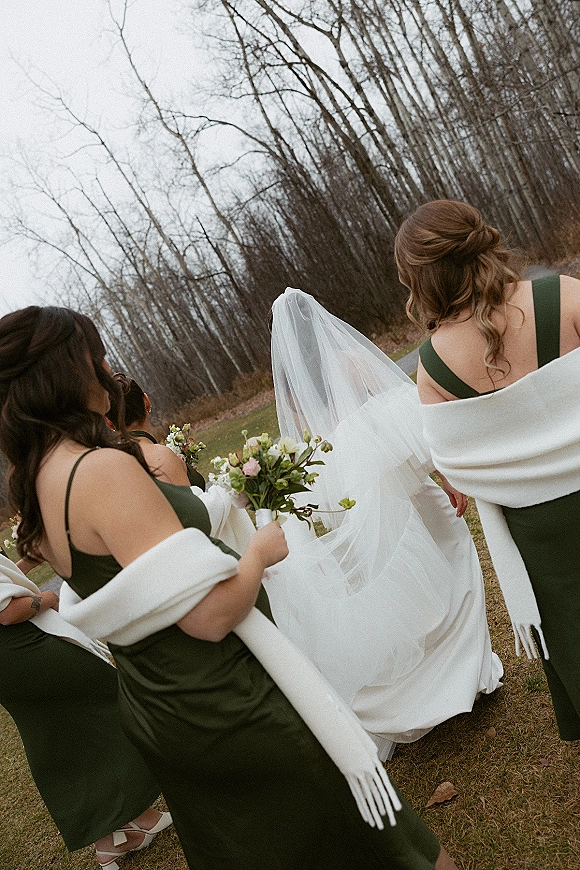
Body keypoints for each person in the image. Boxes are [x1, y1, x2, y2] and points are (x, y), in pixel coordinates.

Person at [0, 304, 458, 870]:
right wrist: (261, 549)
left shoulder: (39, 483)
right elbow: (210, 615)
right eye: (93, 356)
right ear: (64, 373)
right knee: (388, 842)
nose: (105, 367)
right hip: (223, 698)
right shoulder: (97, 470)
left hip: (158, 702)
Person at [268, 289, 502, 760]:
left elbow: (314, 448)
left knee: (401, 586)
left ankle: (423, 699)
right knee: (447, 552)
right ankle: (467, 679)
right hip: (395, 481)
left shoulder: (290, 391)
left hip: (360, 487)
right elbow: (409, 420)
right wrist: (443, 473)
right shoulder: (353, 357)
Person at [394, 198, 580, 741]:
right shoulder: (561, 294)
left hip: (535, 525)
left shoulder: (432, 365)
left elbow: (452, 461)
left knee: (571, 622)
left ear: (420, 280)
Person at [0, 550, 171, 870]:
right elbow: (7, 611)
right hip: (21, 645)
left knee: (61, 733)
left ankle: (112, 839)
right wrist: (48, 597)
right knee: (111, 694)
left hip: (9, 667)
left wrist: (23, 566)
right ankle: (142, 811)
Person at [106, 372, 206, 489]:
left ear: (109, 423)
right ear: (146, 402)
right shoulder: (163, 457)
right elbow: (193, 506)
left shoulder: (110, 472)